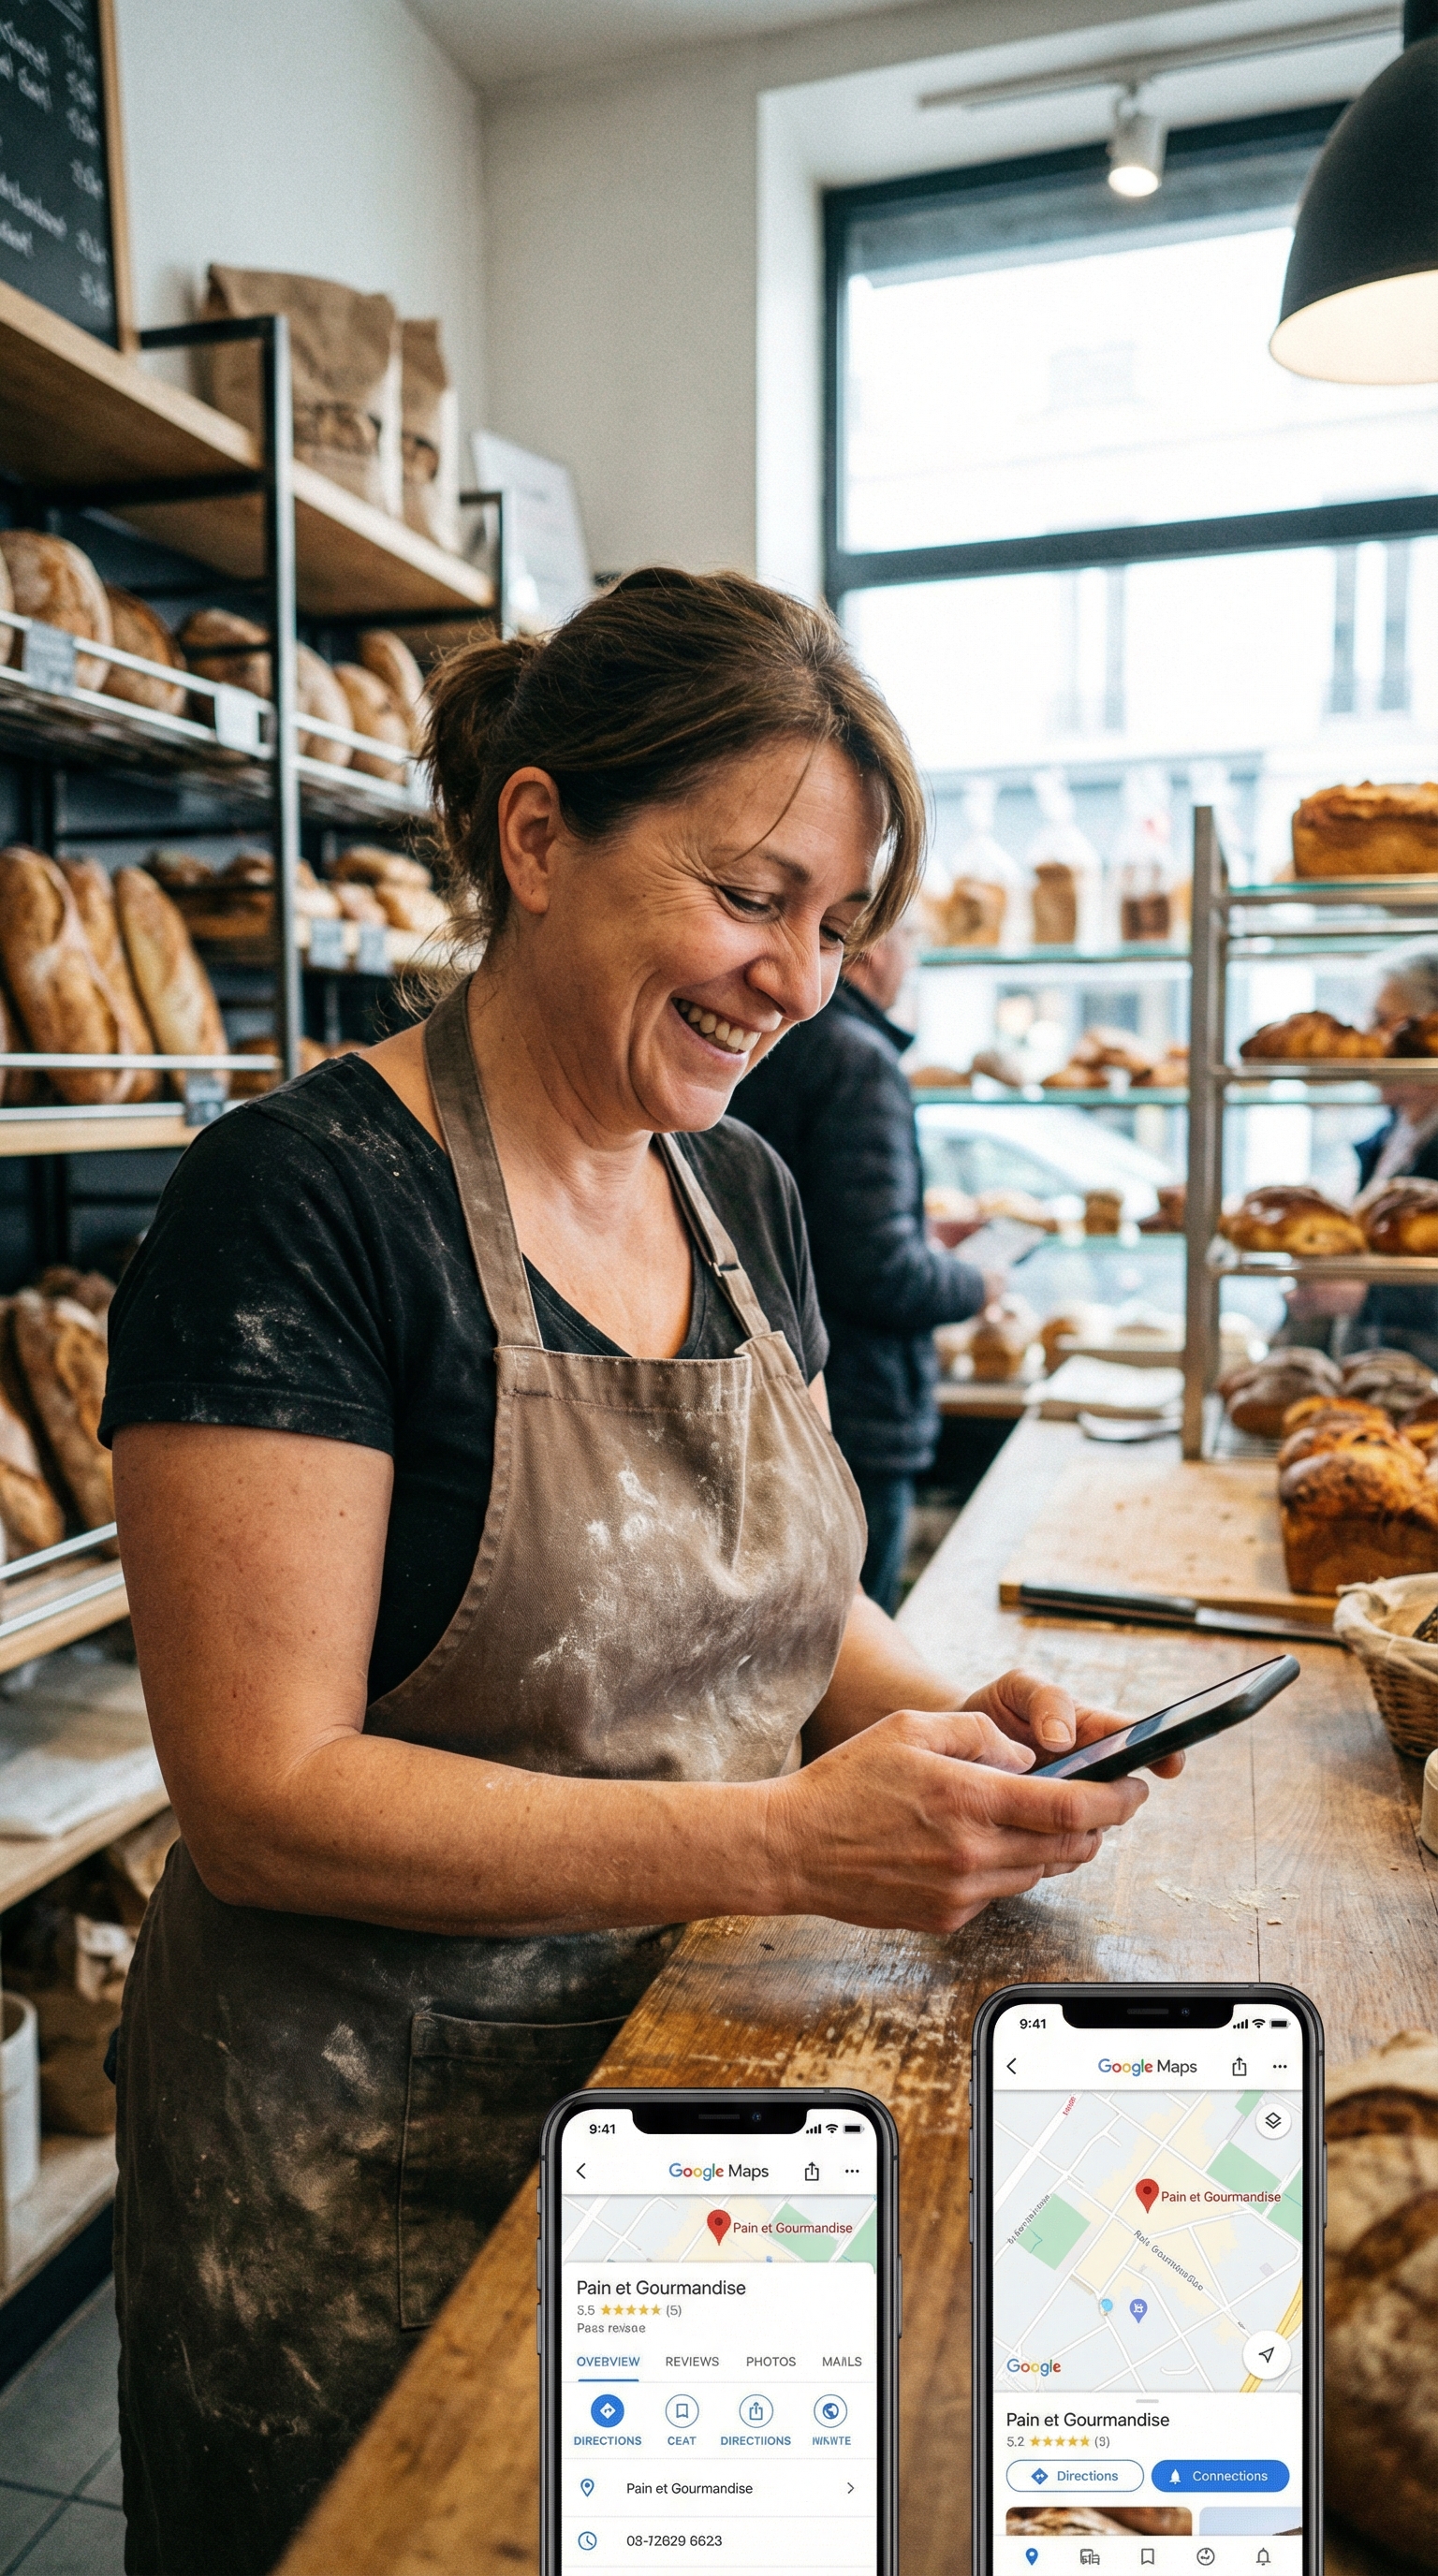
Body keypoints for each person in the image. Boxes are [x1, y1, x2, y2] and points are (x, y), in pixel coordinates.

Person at [104, 568, 1178, 2575]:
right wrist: (786, 1843)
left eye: (836, 924)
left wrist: (944, 1721)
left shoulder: (740, 1185)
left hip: (694, 2081)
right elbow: (259, 1796)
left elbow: (768, 1590)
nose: (799, 976)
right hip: (374, 2158)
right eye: (753, 894)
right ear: (534, 835)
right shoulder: (305, 1203)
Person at [731, 910, 989, 1610]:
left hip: (770, 1394)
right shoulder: (859, 1058)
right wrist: (975, 1283)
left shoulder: (772, 1042)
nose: (913, 959)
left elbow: (823, 1219)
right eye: (912, 939)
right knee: (845, 1628)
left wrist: (916, 1229)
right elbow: (876, 1268)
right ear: (868, 951)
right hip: (857, 1407)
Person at [1283, 944, 1438, 1366]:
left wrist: (1364, 1296)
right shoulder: (1393, 1135)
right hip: (1374, 1380)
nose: (1369, 1040)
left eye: (1383, 1021)